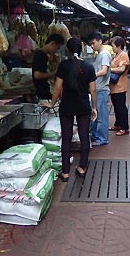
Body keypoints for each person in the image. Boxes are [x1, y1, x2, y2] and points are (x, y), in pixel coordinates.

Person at [46, 38, 97, 182]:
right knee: (84, 136)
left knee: (66, 138)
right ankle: (82, 167)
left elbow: (57, 87)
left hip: (66, 106)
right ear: (81, 49)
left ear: (67, 50)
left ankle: (66, 172)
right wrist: (94, 107)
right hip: (83, 106)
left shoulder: (63, 66)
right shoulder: (88, 67)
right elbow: (93, 90)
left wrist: (52, 103)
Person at [88, 31, 112, 146]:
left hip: (102, 89)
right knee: (96, 114)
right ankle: (96, 136)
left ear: (100, 41)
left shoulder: (104, 54)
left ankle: (102, 139)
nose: (92, 46)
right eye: (90, 45)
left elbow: (104, 71)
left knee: (102, 116)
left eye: (93, 43)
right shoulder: (99, 54)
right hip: (98, 89)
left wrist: (91, 76)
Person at [32, 34, 64, 100]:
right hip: (43, 92)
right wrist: (54, 73)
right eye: (57, 47)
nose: (56, 50)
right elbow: (37, 75)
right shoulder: (40, 55)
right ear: (52, 43)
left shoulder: (46, 55)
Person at [109, 36, 130, 136]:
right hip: (114, 86)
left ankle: (124, 127)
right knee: (116, 106)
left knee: (121, 107)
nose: (112, 47)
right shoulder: (116, 55)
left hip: (120, 86)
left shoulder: (123, 55)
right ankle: (118, 124)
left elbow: (122, 69)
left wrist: (109, 69)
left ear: (119, 46)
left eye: (113, 45)